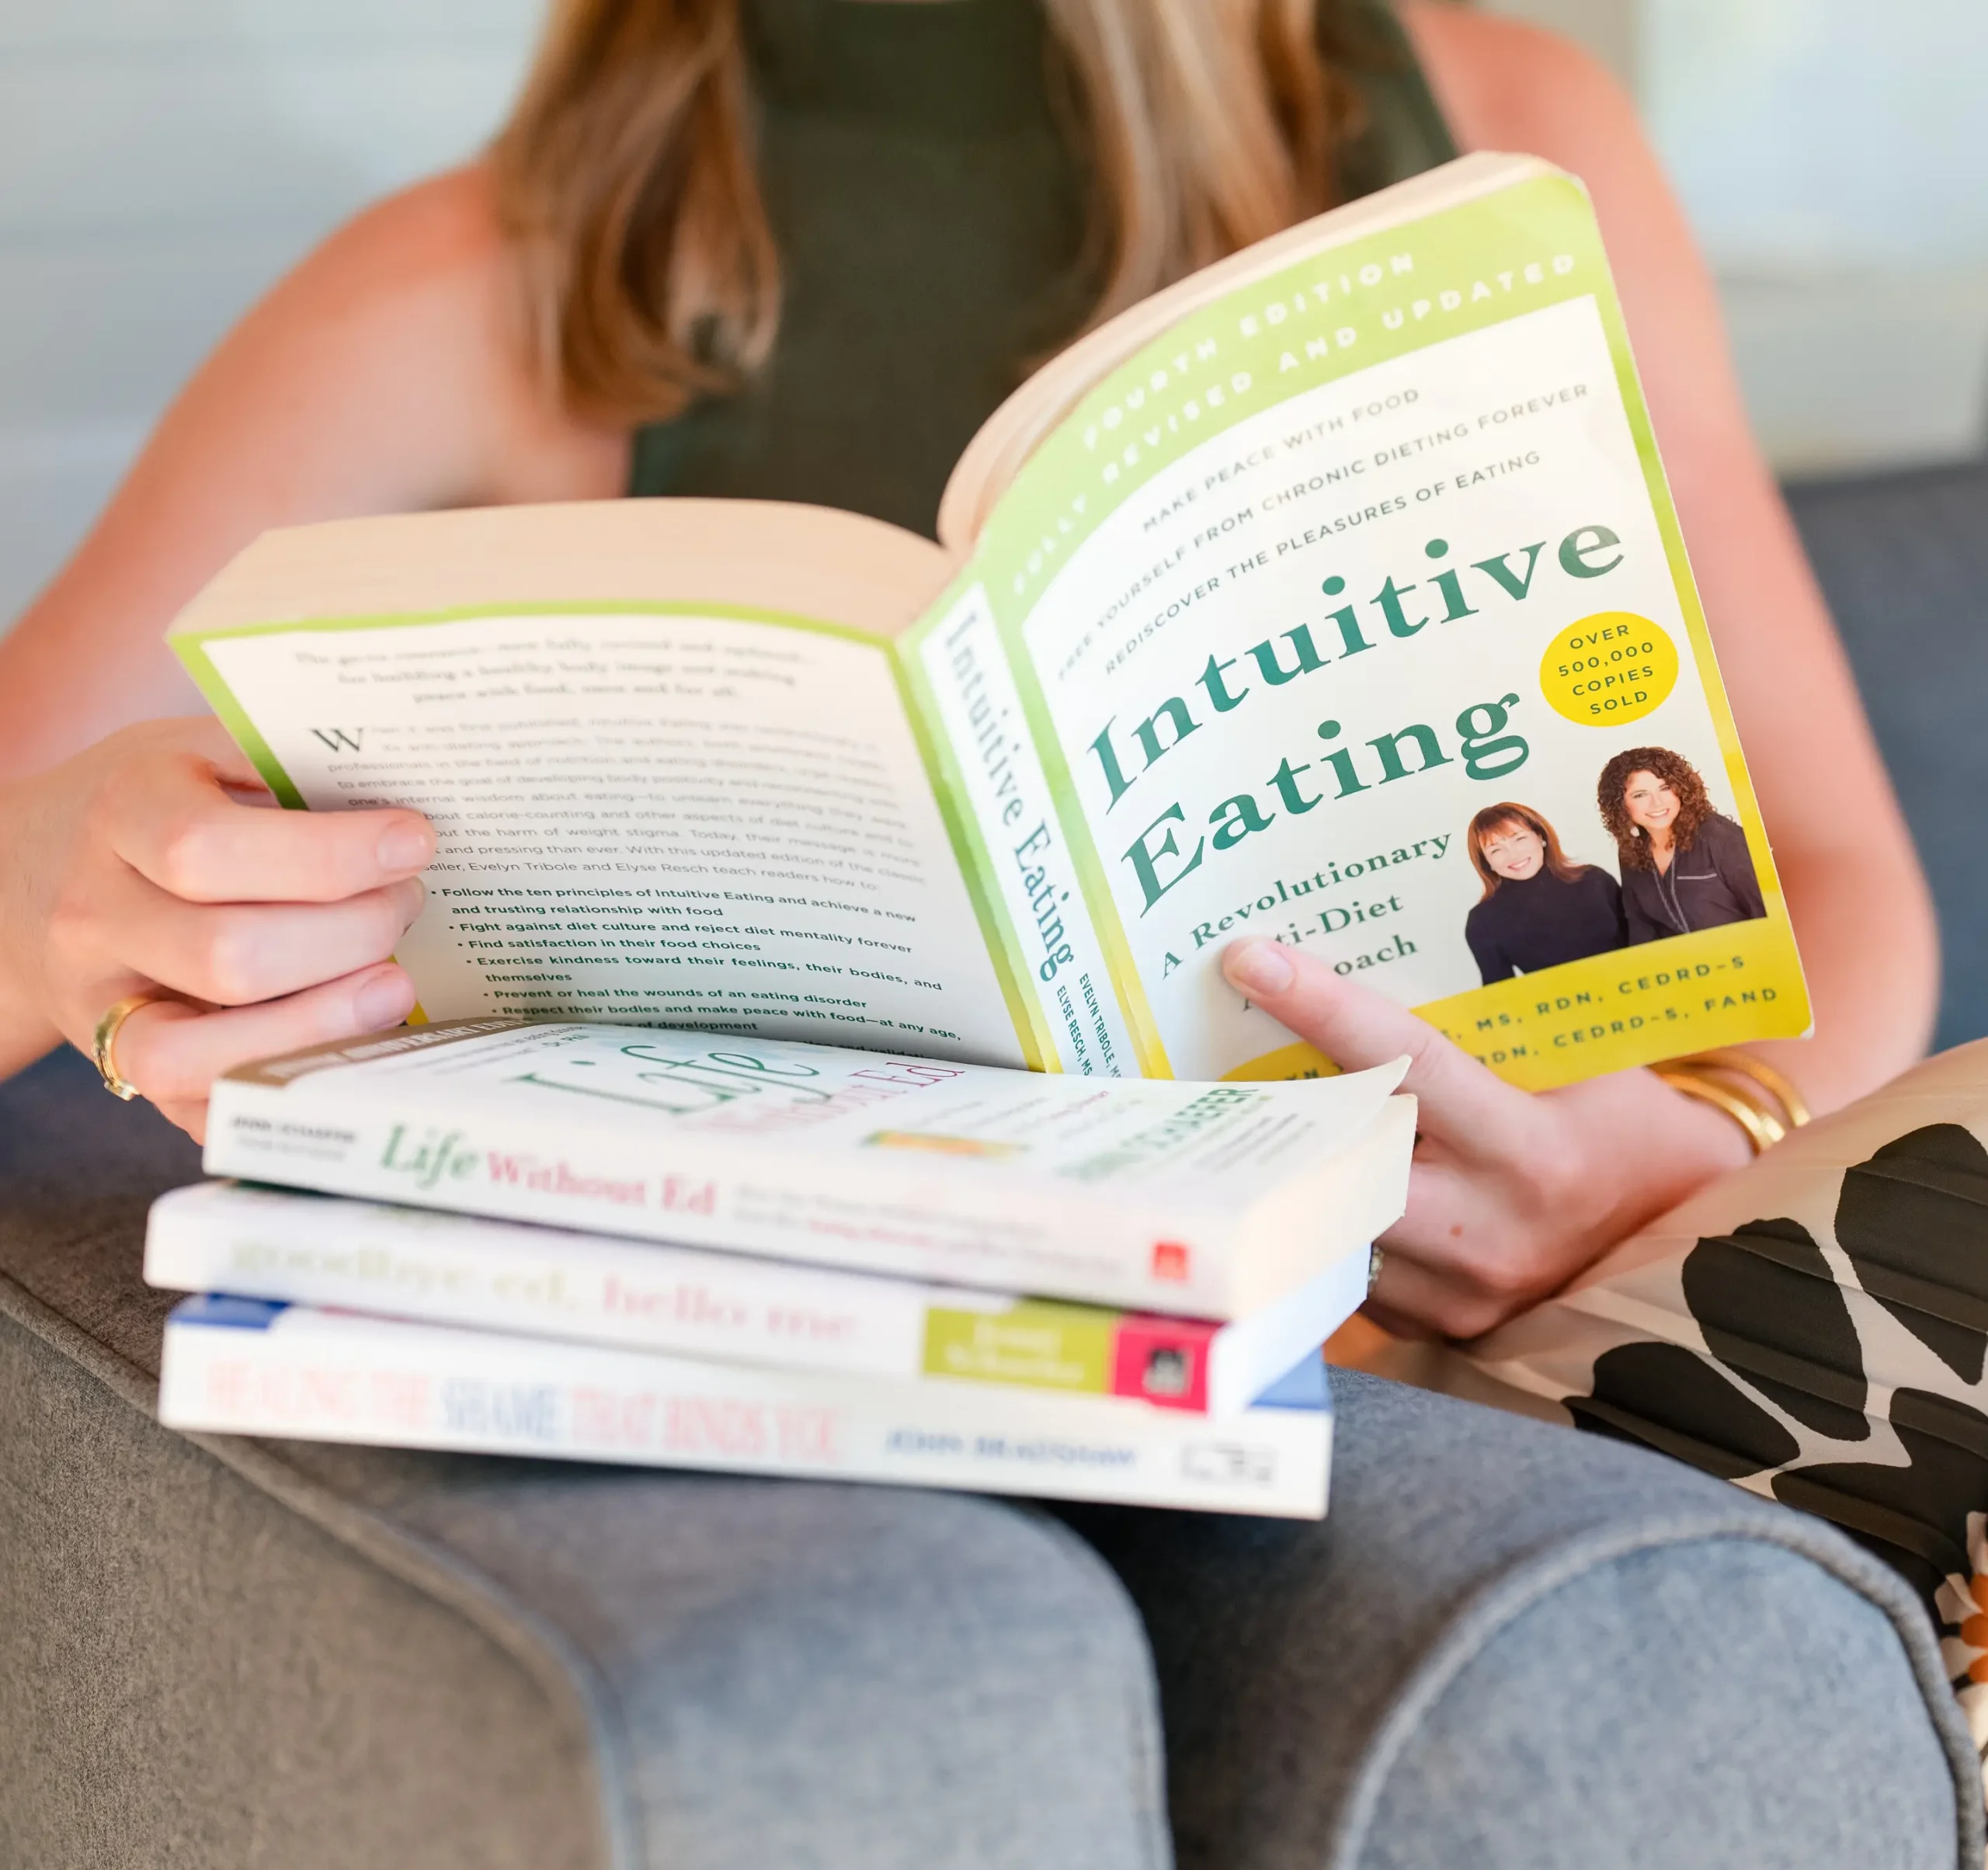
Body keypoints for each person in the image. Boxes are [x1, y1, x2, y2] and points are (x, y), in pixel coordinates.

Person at [0, 0, 1935, 1343]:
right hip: (941, 1412)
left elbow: (1832, 871)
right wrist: (73, 882)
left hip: (1515, 1387)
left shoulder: (1502, 131)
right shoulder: (480, 286)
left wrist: (1701, 1144)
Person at [1597, 744, 1767, 945]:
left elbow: (1765, 909)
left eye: (1665, 788)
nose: (1657, 802)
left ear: (1681, 789)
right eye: (1640, 795)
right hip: (1684, 971)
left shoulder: (1720, 837)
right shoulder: (1630, 850)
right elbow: (1641, 927)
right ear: (1621, 804)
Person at [1461, 801, 1626, 984]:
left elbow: (1639, 945)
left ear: (1540, 836)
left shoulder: (1594, 880)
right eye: (1496, 850)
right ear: (1487, 863)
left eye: (1520, 839)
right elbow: (1500, 998)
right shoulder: (1483, 920)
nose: (1514, 855)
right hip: (1562, 1009)